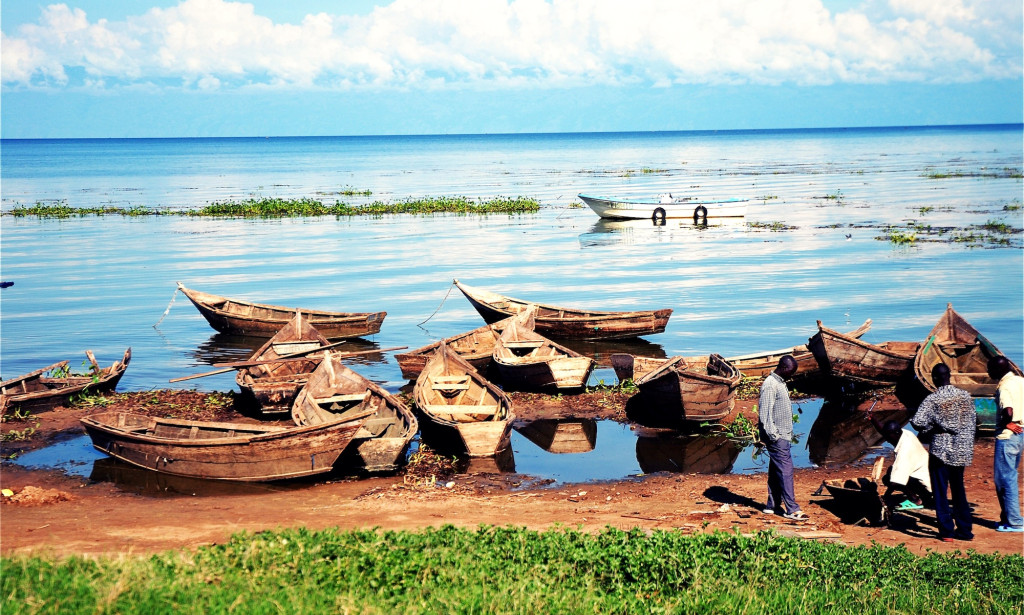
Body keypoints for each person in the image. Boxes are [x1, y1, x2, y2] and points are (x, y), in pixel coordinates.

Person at [910, 364, 976, 542]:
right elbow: (972, 423)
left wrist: (933, 425)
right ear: (949, 376)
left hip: (940, 451)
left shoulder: (933, 399)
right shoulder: (965, 396)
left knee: (940, 493)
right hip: (961, 451)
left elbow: (917, 422)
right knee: (959, 491)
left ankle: (947, 532)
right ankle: (965, 531)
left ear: (935, 378)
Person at [758, 355, 808, 521]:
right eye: (791, 372)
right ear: (784, 368)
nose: (792, 375)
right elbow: (765, 415)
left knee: (776, 470)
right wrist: (774, 436)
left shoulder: (780, 382)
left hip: (782, 435)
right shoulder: (770, 385)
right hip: (776, 436)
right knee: (786, 470)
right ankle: (792, 509)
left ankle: (771, 505)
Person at [866, 412, 932, 510]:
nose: (887, 440)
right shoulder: (905, 433)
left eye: (889, 436)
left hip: (926, 486)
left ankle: (915, 500)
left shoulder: (904, 451)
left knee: (888, 479)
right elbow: (885, 432)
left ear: (896, 433)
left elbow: (895, 482)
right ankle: (916, 496)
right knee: (891, 471)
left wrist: (885, 497)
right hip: (927, 475)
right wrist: (873, 419)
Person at [987, 356, 1024, 533]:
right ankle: (1008, 518)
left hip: (1007, 436)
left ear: (998, 369)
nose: (988, 372)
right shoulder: (1019, 380)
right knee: (1009, 476)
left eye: (990, 369)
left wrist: (1006, 423)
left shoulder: (1005, 386)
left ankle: (1015, 522)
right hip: (1020, 435)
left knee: (1005, 480)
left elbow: (1008, 410)